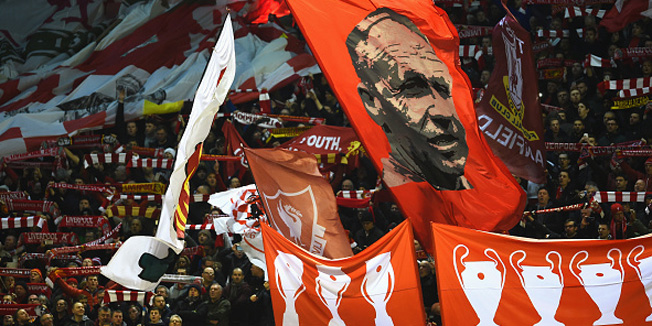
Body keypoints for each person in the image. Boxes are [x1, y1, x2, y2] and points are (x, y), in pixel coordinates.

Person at [346, 8, 471, 191]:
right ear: (373, 103)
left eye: (443, 88)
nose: (443, 112)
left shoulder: (481, 192)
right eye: (413, 88)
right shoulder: (391, 200)